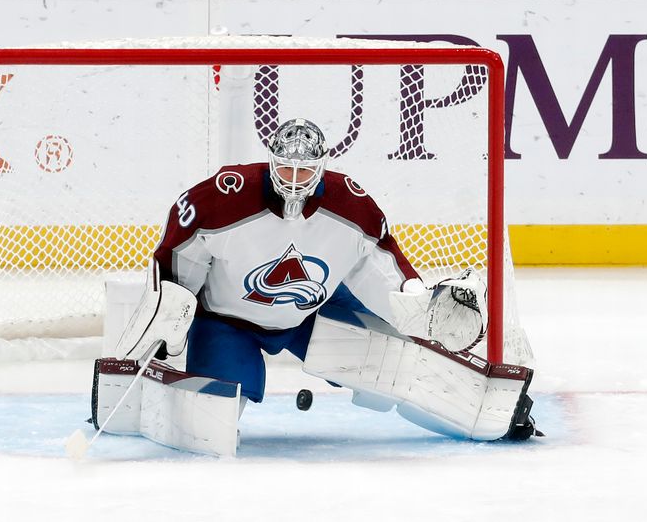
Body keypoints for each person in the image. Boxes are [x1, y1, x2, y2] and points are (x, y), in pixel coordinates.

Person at [116, 118, 537, 442]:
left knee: (389, 381)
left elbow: (381, 263)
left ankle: (484, 419)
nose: (294, 180)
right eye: (286, 168)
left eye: (304, 171)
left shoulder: (351, 208)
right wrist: (174, 303)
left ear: (321, 167)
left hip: (309, 317)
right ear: (271, 160)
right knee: (212, 422)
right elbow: (178, 254)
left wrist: (415, 297)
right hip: (227, 322)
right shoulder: (223, 199)